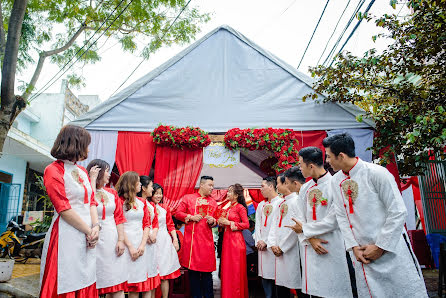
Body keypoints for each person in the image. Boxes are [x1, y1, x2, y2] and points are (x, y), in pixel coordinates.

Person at [323, 133, 428, 297]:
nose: (327, 161)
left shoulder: (377, 173)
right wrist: (353, 247)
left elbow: (398, 211)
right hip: (362, 255)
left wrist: (380, 247)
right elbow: (341, 216)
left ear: (341, 156)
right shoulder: (335, 181)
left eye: (329, 157)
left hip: (389, 251)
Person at [40, 125, 100, 297]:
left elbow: (91, 201)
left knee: (85, 277)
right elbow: (63, 208)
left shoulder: (81, 171)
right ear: (76, 144)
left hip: (87, 235)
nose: (88, 149)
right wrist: (90, 231)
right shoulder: (53, 170)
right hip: (66, 234)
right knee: (66, 280)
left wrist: (96, 227)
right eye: (86, 144)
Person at [285, 149, 353, 298]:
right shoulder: (305, 189)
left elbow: (334, 219)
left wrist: (305, 229)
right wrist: (311, 238)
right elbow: (299, 217)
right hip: (310, 246)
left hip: (332, 244)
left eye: (301, 164)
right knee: (315, 291)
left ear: (311, 166)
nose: (299, 167)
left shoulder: (336, 185)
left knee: (334, 288)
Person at [87, 159, 127, 298]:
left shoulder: (112, 193)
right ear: (98, 172)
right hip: (92, 239)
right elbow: (88, 202)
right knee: (92, 281)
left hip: (111, 238)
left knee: (114, 281)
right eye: (107, 171)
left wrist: (121, 240)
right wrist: (91, 181)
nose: (109, 174)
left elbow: (119, 218)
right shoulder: (86, 190)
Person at [175, 176, 218, 298]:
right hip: (192, 243)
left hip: (207, 243)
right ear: (202, 185)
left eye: (213, 185)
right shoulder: (188, 198)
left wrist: (213, 221)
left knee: (207, 274)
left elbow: (217, 221)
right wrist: (191, 217)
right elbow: (178, 213)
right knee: (193, 274)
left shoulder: (213, 202)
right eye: (210, 185)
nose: (212, 188)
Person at [116, 172, 157, 298]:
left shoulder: (142, 202)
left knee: (137, 282)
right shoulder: (119, 201)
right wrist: (130, 246)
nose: (140, 184)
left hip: (140, 243)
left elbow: (146, 224)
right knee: (121, 284)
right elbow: (119, 223)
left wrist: (142, 245)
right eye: (138, 181)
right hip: (125, 242)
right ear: (131, 184)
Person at [267, 173, 303, 297]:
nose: (276, 186)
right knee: (281, 285)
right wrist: (272, 244)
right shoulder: (281, 203)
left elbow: (297, 228)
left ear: (286, 183)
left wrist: (282, 247)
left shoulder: (297, 201)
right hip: (278, 250)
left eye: (278, 183)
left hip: (291, 250)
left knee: (296, 284)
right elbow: (274, 225)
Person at [149, 183, 181, 298]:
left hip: (164, 241)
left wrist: (175, 240)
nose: (159, 196)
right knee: (151, 274)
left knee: (165, 273)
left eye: (160, 193)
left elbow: (170, 225)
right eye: (156, 193)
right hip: (150, 239)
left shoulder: (165, 208)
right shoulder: (147, 206)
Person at [218, 184, 250, 298]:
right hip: (227, 240)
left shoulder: (240, 207)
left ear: (236, 195)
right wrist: (222, 223)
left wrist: (230, 223)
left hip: (236, 242)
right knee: (227, 270)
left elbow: (246, 224)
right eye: (228, 191)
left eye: (230, 192)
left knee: (235, 271)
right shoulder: (229, 207)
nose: (228, 193)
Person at [254, 176, 281, 298]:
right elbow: (258, 224)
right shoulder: (261, 205)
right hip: (262, 246)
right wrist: (259, 240)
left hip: (273, 245)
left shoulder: (280, 203)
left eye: (262, 186)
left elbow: (277, 226)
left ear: (271, 186)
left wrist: (266, 242)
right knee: (265, 275)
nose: (260, 189)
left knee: (276, 276)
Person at [138, 176, 161, 298]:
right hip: (141, 241)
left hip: (152, 242)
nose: (152, 189)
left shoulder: (151, 205)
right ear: (143, 188)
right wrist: (147, 235)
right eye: (151, 186)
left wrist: (154, 234)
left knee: (151, 275)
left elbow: (155, 222)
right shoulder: (136, 203)